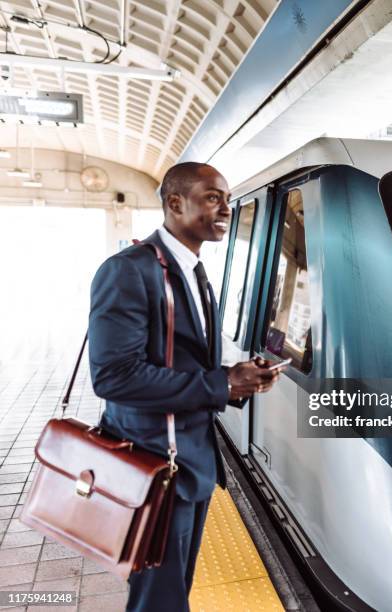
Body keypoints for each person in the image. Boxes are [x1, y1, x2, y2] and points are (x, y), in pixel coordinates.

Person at [88, 162, 285, 612]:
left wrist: (237, 379)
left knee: (175, 591)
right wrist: (220, 383)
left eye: (227, 199)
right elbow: (113, 376)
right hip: (154, 464)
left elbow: (184, 360)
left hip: (192, 464)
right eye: (213, 197)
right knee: (158, 600)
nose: (226, 209)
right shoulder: (128, 271)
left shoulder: (195, 271)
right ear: (175, 203)